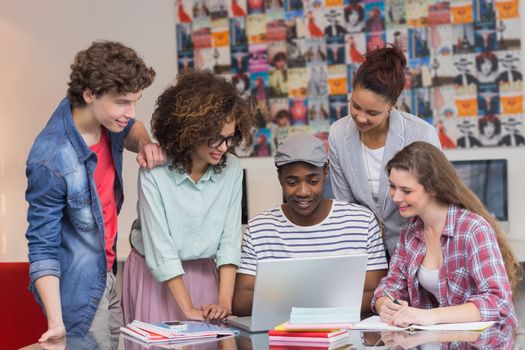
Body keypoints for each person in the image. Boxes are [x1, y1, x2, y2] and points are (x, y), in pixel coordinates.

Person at [25, 41, 165, 344]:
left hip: (110, 272)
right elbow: (42, 247)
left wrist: (144, 142)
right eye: (122, 102)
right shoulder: (50, 158)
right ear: (89, 94)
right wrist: (56, 320)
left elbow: (133, 127)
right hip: (80, 295)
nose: (130, 112)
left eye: (135, 101)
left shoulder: (107, 119)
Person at [122, 69, 255, 324]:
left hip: (205, 274)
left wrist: (224, 303)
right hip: (156, 278)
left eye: (230, 138)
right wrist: (188, 309)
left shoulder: (232, 169)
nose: (224, 148)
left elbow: (229, 241)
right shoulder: (154, 171)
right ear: (192, 130)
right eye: (216, 139)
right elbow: (161, 249)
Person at [232, 133, 388, 316]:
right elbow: (241, 302)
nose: (303, 192)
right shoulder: (260, 229)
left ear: (325, 173)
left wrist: (294, 298)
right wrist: (325, 298)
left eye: (313, 181)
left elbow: (377, 294)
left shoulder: (361, 222)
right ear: (279, 177)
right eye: (292, 182)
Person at [372, 142, 520, 328]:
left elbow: (498, 302)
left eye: (406, 191)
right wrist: (384, 304)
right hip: (434, 340)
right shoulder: (410, 231)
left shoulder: (473, 229)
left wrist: (431, 316)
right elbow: (390, 286)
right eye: (393, 186)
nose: (396, 197)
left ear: (434, 188)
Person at [329, 44, 440, 257]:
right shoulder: (338, 134)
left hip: (417, 248)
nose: (361, 118)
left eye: (372, 112)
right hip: (364, 251)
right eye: (355, 106)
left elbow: (436, 202)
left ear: (392, 105)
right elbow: (345, 208)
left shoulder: (421, 134)